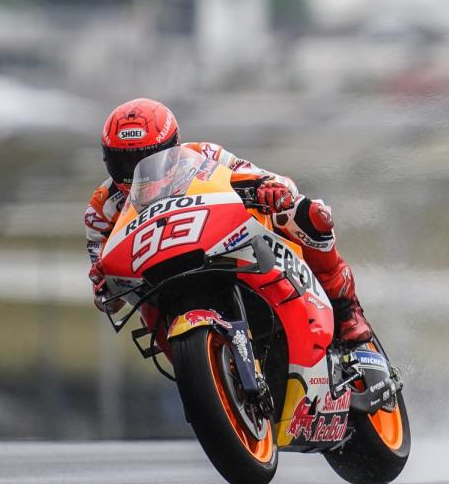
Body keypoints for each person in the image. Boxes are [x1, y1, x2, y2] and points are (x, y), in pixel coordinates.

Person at [84, 97, 372, 344]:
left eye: (146, 160)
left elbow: (266, 179)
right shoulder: (102, 208)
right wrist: (103, 283)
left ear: (173, 148)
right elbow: (108, 294)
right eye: (124, 164)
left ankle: (346, 308)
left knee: (309, 214)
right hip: (162, 283)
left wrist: (271, 189)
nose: (138, 174)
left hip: (224, 246)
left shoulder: (204, 155)